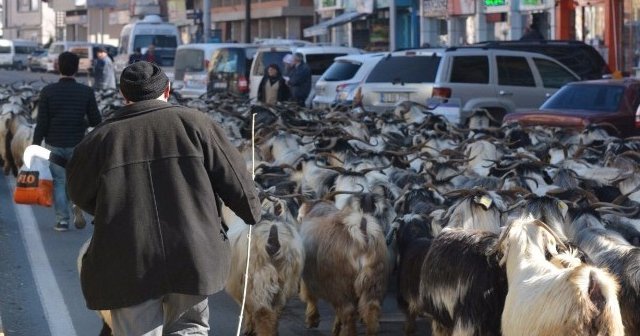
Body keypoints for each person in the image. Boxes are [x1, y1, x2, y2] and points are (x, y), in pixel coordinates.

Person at [65, 61, 261, 335]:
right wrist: (252, 213)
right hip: (193, 250)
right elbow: (236, 180)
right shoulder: (197, 124)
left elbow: (78, 192)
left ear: (125, 96)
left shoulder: (99, 139)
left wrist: (110, 207)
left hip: (129, 257)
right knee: (189, 328)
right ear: (167, 90)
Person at [33, 51, 102, 232]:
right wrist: (82, 121)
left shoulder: (48, 92)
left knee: (58, 181)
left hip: (54, 144)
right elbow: (96, 121)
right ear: (77, 67)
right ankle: (76, 205)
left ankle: (62, 221)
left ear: (58, 67)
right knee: (75, 180)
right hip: (77, 145)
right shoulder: (86, 92)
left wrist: (34, 144)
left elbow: (42, 123)